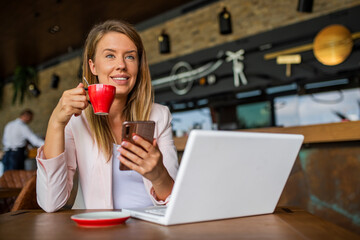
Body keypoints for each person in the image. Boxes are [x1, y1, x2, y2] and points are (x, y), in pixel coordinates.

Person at [36, 20, 178, 212]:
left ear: (139, 66)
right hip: (101, 230)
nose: (121, 65)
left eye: (130, 57)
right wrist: (56, 122)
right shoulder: (76, 119)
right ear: (93, 66)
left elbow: (176, 203)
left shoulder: (160, 115)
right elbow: (51, 203)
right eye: (110, 55)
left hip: (152, 228)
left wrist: (159, 175)